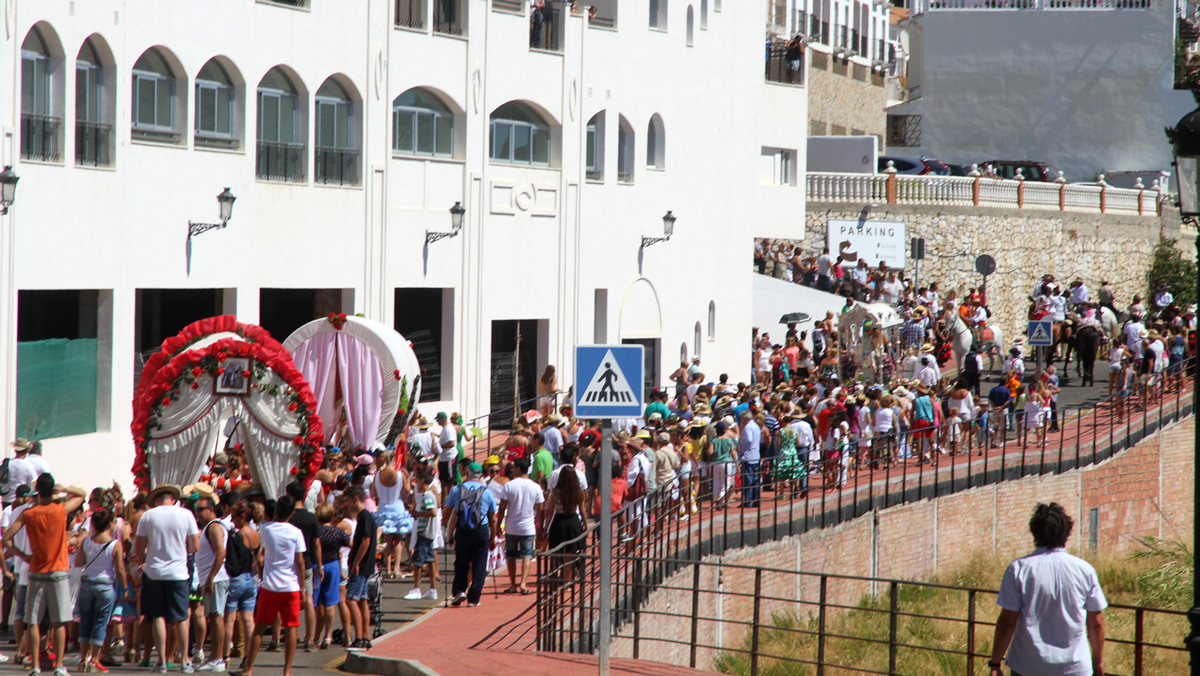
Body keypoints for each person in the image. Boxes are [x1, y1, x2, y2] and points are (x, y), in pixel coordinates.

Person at [989, 503, 1106, 676]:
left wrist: (995, 663)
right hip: (1075, 668)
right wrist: (1097, 662)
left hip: (1028, 666)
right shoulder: (1085, 570)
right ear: (1066, 532)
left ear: (1034, 532)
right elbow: (1096, 623)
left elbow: (1007, 622)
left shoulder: (1018, 569)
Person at [3, 476, 85, 676]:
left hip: (36, 571)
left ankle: (35, 666)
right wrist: (64, 487)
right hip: (58, 571)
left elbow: (6, 538)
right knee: (59, 621)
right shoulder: (60, 510)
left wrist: (24, 556)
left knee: (33, 621)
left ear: (37, 491)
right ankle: (58, 665)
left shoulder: (29, 514)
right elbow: (82, 495)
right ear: (52, 491)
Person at [133, 483, 200, 674]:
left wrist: (149, 556)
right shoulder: (186, 514)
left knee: (158, 616)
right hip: (178, 572)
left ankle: (161, 661)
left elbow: (138, 549)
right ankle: (185, 661)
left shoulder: (148, 515)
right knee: (180, 617)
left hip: (154, 571)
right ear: (174, 498)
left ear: (156, 499)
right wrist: (180, 552)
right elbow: (195, 545)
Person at [238, 495, 307, 676]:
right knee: (291, 628)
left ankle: (249, 668)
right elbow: (299, 562)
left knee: (259, 628)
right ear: (292, 513)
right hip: (291, 586)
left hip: (270, 585)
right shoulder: (296, 532)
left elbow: (260, 554)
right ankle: (287, 670)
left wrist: (260, 572)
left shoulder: (266, 529)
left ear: (276, 511)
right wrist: (303, 587)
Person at [75, 507, 127, 673]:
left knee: (86, 621)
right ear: (110, 523)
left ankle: (84, 658)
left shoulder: (86, 541)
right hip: (105, 585)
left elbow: (78, 562)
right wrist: (125, 587)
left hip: (87, 583)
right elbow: (119, 569)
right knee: (100, 623)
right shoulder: (115, 544)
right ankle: (95, 659)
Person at [444, 463, 499, 608]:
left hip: (462, 530)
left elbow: (448, 513)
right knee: (479, 565)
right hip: (481, 530)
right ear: (481, 475)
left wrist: (448, 532)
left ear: (467, 472)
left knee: (461, 562)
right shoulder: (486, 492)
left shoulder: (457, 489)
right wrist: (493, 538)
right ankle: (474, 598)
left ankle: (459, 591)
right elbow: (493, 518)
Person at [193, 494, 229, 672]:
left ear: (211, 510)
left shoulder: (214, 527)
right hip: (212, 578)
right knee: (214, 617)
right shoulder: (211, 527)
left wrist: (210, 578)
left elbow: (220, 553)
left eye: (200, 509)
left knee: (216, 618)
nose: (197, 513)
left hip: (217, 578)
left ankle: (217, 658)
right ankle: (216, 657)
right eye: (196, 509)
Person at [496, 458, 543, 595]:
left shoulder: (509, 486)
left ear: (518, 469)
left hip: (511, 526)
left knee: (510, 556)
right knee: (527, 555)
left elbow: (502, 507)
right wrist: (540, 527)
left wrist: (499, 525)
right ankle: (523, 583)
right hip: (528, 526)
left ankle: (512, 584)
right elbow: (540, 508)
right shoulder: (535, 486)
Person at [314, 503, 351, 648]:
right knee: (330, 603)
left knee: (317, 603)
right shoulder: (338, 532)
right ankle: (327, 636)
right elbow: (351, 544)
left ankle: (316, 637)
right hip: (334, 565)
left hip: (318, 565)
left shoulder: (315, 531)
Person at [344, 487, 376, 649]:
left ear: (355, 498)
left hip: (361, 566)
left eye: (347, 500)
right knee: (362, 601)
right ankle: (365, 636)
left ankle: (358, 636)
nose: (346, 504)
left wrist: (356, 563)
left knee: (351, 599)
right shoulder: (365, 517)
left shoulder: (364, 517)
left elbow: (366, 541)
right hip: (366, 565)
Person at [403, 468, 440, 602]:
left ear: (423, 480)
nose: (416, 483)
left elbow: (432, 512)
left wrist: (417, 513)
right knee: (430, 560)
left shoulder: (427, 495)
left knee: (418, 561)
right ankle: (432, 589)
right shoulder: (431, 494)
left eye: (417, 480)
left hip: (424, 531)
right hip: (429, 532)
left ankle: (416, 589)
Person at [5, 439, 37, 508]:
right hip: (22, 500)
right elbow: (34, 483)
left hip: (6, 499)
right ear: (26, 452)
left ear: (15, 450)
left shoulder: (5, 463)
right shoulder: (29, 466)